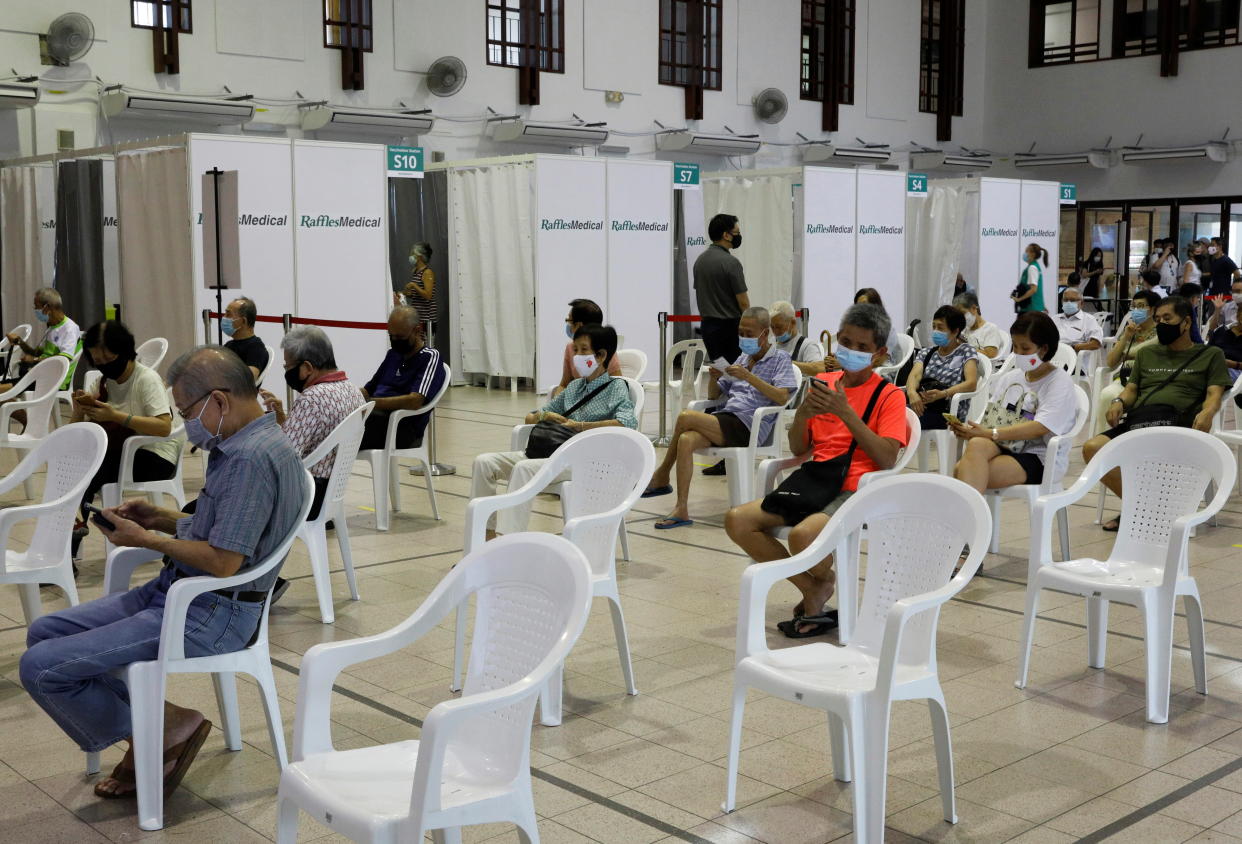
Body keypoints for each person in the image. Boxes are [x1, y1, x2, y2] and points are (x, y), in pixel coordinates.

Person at [20, 346, 307, 800]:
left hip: (211, 613)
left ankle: (158, 732)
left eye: (186, 411)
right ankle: (165, 725)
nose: (185, 422)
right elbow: (226, 532)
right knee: (45, 631)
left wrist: (145, 540)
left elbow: (223, 561)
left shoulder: (251, 459)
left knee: (42, 668)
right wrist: (158, 517)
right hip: (181, 591)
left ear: (218, 400)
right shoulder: (238, 444)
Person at [724, 303, 907, 638]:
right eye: (846, 342)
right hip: (814, 479)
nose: (851, 351)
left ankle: (817, 587)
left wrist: (847, 413)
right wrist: (805, 415)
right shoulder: (823, 382)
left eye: (862, 347)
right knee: (738, 519)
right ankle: (815, 587)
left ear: (879, 354)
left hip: (855, 487)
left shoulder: (889, 395)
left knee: (801, 536)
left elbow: (887, 459)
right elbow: (797, 449)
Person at [471, 324, 637, 538]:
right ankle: (485, 536)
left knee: (524, 468)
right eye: (575, 350)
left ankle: (508, 543)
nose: (576, 356)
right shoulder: (575, 387)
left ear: (601, 355)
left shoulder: (617, 388)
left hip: (586, 460)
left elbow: (627, 423)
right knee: (484, 462)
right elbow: (530, 417)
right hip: (551, 454)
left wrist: (582, 426)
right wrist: (545, 416)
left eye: (583, 350)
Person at [1084, 295, 1230, 531]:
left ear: (1186, 322)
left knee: (1149, 457)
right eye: (1158, 318)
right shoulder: (1146, 354)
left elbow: (1214, 395)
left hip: (1179, 424)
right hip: (1141, 421)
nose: (1161, 323)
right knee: (1092, 448)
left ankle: (1138, 511)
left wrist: (1208, 413)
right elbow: (1132, 388)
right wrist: (1119, 401)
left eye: (1167, 318)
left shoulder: (1210, 355)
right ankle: (1146, 509)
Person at [643, 307, 796, 530]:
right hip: (727, 419)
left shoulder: (780, 359)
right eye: (741, 332)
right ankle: (681, 508)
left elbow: (782, 396)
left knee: (686, 417)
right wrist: (716, 378)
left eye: (749, 334)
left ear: (765, 334)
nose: (743, 338)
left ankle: (662, 475)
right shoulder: (743, 357)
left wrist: (749, 377)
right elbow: (715, 396)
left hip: (750, 425)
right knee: (686, 440)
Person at [70, 321, 181, 553]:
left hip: (156, 454)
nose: (104, 367)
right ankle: (73, 527)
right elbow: (75, 436)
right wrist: (78, 412)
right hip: (121, 453)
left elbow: (164, 427)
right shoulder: (101, 382)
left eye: (108, 360)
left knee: (94, 468)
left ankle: (78, 523)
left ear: (124, 353)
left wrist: (117, 416)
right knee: (74, 464)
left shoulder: (146, 379)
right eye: (97, 362)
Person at [951, 312, 1078, 499]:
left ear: (1043, 349)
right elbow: (992, 415)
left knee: (963, 470)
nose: (1018, 353)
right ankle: (975, 523)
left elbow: (1040, 427)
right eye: (1015, 346)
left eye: (1025, 348)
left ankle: (972, 524)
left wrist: (990, 433)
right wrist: (973, 429)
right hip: (1006, 444)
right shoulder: (1012, 377)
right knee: (976, 447)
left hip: (1039, 455)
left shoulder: (1059, 382)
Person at [259, 326, 365, 520]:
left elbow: (283, 458)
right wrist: (283, 417)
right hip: (330, 493)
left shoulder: (312, 398)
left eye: (288, 367)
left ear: (307, 367)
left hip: (306, 496)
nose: (286, 372)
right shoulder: (353, 391)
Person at [359, 306, 446, 451]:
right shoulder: (393, 355)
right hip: (376, 419)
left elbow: (415, 401)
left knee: (343, 434)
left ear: (417, 331)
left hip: (402, 428)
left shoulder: (430, 357)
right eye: (391, 336)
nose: (394, 340)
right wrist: (345, 396)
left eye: (400, 337)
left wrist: (371, 404)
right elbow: (368, 390)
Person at [1095, 290, 1161, 433]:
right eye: (1134, 307)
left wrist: (1128, 354)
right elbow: (1111, 362)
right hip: (1124, 379)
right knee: (1108, 394)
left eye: (1142, 306)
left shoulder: (1160, 332)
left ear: (1154, 309)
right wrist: (1126, 337)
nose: (1137, 310)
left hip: (1148, 380)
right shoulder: (1130, 331)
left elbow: (1149, 355)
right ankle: (1103, 438)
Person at [904, 306, 980, 430]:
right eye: (933, 326)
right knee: (891, 412)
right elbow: (914, 375)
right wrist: (912, 393)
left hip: (948, 413)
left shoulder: (966, 351)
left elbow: (971, 383)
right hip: (922, 406)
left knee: (902, 419)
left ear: (955, 331)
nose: (935, 331)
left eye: (940, 327)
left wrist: (943, 393)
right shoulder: (926, 352)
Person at [2, 287, 81, 392]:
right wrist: (19, 342)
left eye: (36, 306)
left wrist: (34, 360)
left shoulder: (69, 328)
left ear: (47, 307)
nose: (35, 310)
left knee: (4, 389)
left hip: (55, 380)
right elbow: (36, 353)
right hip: (40, 374)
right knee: (4, 388)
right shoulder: (51, 328)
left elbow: (64, 359)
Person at [694, 213, 749, 363]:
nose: (738, 236)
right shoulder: (731, 263)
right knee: (736, 372)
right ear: (726, 235)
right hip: (730, 328)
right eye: (736, 233)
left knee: (719, 371)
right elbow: (743, 302)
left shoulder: (700, 261)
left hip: (708, 328)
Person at [552, 299, 622, 397]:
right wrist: (555, 404)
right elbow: (564, 384)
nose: (577, 353)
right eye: (576, 350)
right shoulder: (570, 347)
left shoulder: (605, 350)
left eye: (569, 321)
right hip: (576, 400)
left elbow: (618, 385)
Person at [769, 300, 824, 376]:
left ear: (793, 322)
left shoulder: (808, 346)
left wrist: (786, 363)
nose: (775, 331)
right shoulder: (771, 343)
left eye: (779, 327)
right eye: (772, 327)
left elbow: (818, 369)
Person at [221, 296, 270, 382]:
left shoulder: (256, 347)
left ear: (243, 321)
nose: (224, 318)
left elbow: (249, 379)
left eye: (228, 314)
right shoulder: (229, 345)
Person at [1052, 287, 1104, 357]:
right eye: (1065, 300)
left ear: (1082, 303)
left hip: (1076, 360)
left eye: (1072, 300)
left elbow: (1096, 343)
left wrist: (1071, 348)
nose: (1068, 303)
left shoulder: (1089, 320)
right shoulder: (1054, 319)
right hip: (1054, 357)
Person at [954, 292, 1005, 361]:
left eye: (963, 313)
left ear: (974, 308)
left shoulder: (990, 329)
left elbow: (990, 355)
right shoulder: (964, 330)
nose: (960, 318)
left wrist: (964, 347)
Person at [397, 242, 436, 329]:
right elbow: (418, 295)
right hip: (417, 317)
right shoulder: (415, 271)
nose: (410, 256)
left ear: (420, 256)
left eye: (412, 254)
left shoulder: (427, 272)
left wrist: (414, 285)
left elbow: (428, 295)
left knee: (425, 342)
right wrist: (405, 294)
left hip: (427, 319)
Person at [1208, 304, 1242, 381]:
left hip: (1236, 371)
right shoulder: (1221, 331)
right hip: (1212, 367)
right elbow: (1207, 351)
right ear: (1237, 316)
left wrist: (1233, 364)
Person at [1012, 243, 1048, 313]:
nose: (1025, 254)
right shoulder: (1034, 266)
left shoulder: (1032, 268)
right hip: (1033, 307)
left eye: (1026, 251)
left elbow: (1033, 290)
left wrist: (1019, 299)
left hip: (1030, 308)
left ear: (1033, 254)